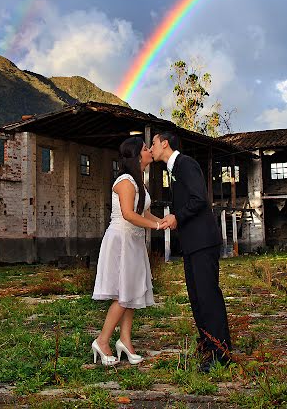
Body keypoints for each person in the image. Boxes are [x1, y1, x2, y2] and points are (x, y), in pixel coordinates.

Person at [151, 131, 232, 372]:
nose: (151, 148)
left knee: (208, 297)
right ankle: (208, 344)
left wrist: (177, 216)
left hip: (203, 242)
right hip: (191, 244)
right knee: (196, 298)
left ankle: (221, 352)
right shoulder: (173, 169)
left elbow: (200, 199)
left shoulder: (186, 164)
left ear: (165, 143)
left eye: (153, 144)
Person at [92, 136, 167, 366]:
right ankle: (102, 341)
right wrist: (155, 226)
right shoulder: (125, 181)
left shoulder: (139, 182)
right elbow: (128, 214)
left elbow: (143, 214)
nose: (149, 151)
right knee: (122, 295)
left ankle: (124, 341)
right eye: (146, 148)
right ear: (137, 155)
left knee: (132, 292)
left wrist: (162, 222)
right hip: (121, 239)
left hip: (133, 241)